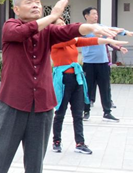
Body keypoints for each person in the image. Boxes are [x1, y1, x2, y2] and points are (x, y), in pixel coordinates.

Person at [0, 0, 121, 173]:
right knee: (1, 152)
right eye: (29, 2)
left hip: (42, 104)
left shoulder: (49, 31)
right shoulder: (10, 27)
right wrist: (53, 15)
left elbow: (70, 31)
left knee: (35, 158)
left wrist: (92, 27)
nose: (35, 5)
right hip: (13, 102)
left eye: (38, 2)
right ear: (16, 9)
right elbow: (25, 32)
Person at [50, 17, 128, 155]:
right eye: (59, 25)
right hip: (62, 79)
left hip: (76, 78)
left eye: (64, 23)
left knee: (78, 113)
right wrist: (89, 30)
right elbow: (75, 39)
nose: (63, 26)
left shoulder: (72, 41)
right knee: (60, 112)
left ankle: (80, 143)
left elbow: (90, 41)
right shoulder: (54, 41)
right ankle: (56, 141)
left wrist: (109, 41)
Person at [81, 7, 133, 122]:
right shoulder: (84, 29)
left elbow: (113, 29)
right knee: (87, 88)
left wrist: (126, 32)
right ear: (86, 16)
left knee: (105, 88)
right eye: (93, 14)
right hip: (89, 63)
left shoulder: (101, 27)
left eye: (96, 14)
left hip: (103, 63)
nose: (96, 16)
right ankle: (86, 111)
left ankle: (107, 112)